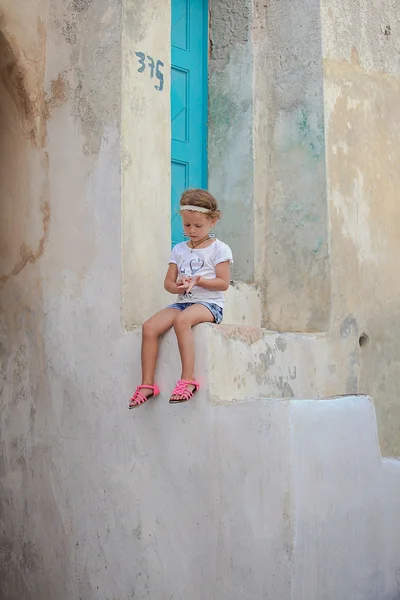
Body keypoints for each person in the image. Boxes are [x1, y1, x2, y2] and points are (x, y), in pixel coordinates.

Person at [129, 188, 233, 408]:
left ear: (212, 222)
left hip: (209, 304)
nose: (192, 230)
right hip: (183, 301)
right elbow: (168, 283)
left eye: (198, 226)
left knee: (182, 320)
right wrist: (177, 286)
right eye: (187, 225)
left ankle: (188, 380)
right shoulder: (179, 249)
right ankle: (147, 384)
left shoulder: (219, 249)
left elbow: (223, 283)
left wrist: (200, 281)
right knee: (149, 327)